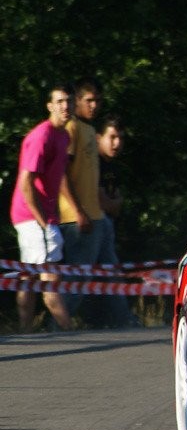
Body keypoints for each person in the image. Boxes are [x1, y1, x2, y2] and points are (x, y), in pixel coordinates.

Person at [9, 84, 75, 332]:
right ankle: (68, 330)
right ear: (50, 106)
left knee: (29, 275)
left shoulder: (64, 135)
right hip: (30, 215)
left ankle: (24, 332)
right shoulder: (42, 136)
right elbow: (26, 183)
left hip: (45, 216)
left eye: (68, 101)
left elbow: (57, 178)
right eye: (59, 101)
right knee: (50, 278)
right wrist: (42, 221)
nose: (65, 106)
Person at [57, 78, 106, 319]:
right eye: (89, 100)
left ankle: (121, 322)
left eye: (97, 100)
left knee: (105, 274)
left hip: (96, 215)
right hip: (75, 217)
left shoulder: (90, 129)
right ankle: (57, 326)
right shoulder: (72, 128)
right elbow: (62, 173)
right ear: (77, 101)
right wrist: (77, 211)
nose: (94, 105)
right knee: (76, 279)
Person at [83, 114, 136, 328]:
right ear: (98, 138)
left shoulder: (112, 165)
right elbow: (104, 202)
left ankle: (121, 320)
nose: (117, 143)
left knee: (110, 274)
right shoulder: (95, 163)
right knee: (83, 276)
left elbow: (116, 200)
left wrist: (114, 202)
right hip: (92, 223)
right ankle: (59, 323)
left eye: (120, 138)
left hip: (106, 224)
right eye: (112, 137)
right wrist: (113, 203)